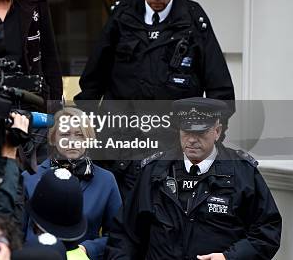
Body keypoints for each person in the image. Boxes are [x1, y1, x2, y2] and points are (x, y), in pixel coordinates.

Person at [105, 97, 282, 260]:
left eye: (200, 132)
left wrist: (230, 257)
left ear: (217, 131)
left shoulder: (243, 172)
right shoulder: (154, 170)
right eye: (186, 132)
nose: (191, 140)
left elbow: (267, 232)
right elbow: (125, 234)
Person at [76, 0, 234, 103]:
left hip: (174, 124)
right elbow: (95, 75)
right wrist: (84, 116)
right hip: (124, 124)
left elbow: (218, 82)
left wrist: (217, 125)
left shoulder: (194, 19)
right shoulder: (122, 16)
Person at [23, 107, 121, 260]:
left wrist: (87, 249)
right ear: (53, 138)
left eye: (80, 135)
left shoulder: (106, 180)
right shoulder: (30, 177)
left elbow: (118, 235)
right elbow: (15, 233)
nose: (73, 141)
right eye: (65, 134)